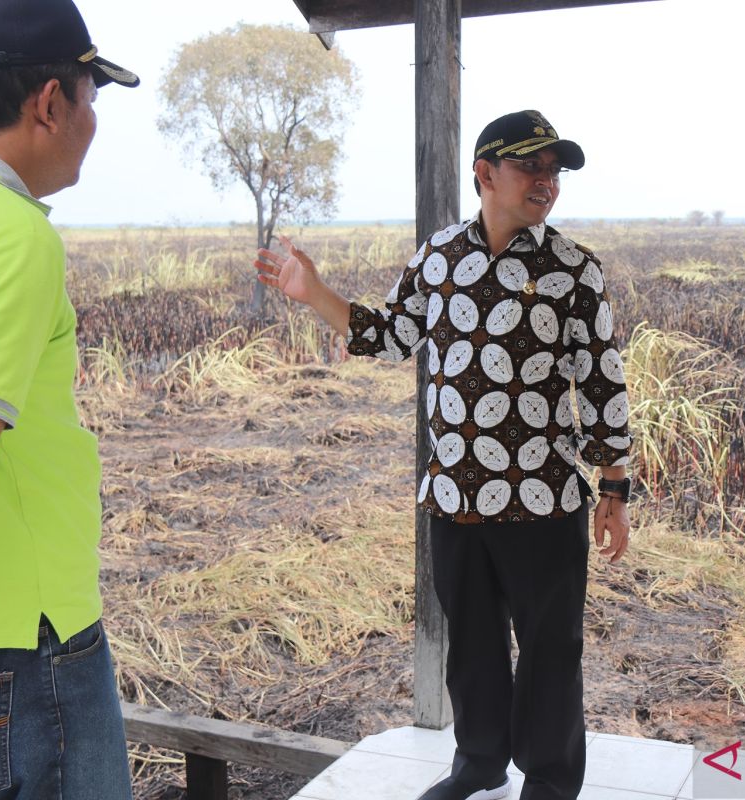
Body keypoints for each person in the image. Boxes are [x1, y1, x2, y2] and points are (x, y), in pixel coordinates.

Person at [255, 110, 633, 800]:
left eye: (555, 170)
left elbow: (603, 381)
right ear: (486, 174)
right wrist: (314, 293)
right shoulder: (439, 257)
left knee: (551, 652)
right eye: (532, 167)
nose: (547, 182)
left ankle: (549, 779)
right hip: (454, 498)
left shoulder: (575, 270)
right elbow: (392, 334)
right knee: (474, 648)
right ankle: (480, 762)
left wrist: (614, 489)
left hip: (543, 502)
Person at [0, 0, 138, 797]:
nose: (91, 122)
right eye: (91, 97)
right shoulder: (9, 233)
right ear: (49, 102)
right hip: (17, 648)